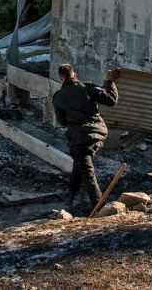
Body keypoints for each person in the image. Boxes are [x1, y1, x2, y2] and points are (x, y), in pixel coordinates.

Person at [52, 63, 119, 212]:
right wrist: (109, 82)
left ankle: (99, 208)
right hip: (98, 132)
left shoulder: (58, 97)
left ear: (61, 78)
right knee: (80, 164)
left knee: (87, 173)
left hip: (80, 138)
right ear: (74, 74)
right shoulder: (88, 87)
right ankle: (71, 196)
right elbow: (111, 100)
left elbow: (62, 122)